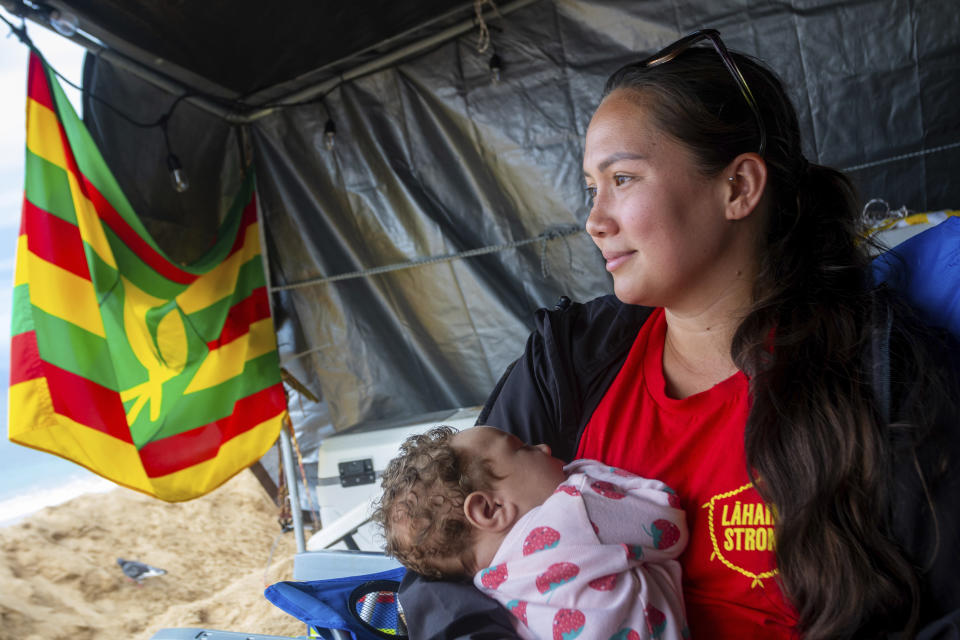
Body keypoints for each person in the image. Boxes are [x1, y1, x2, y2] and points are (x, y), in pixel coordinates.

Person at [397, 28, 960, 640]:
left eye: (623, 179)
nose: (593, 221)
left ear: (738, 187)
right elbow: (441, 546)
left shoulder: (879, 373)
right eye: (591, 188)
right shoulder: (571, 361)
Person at [373, 425, 689, 640]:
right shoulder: (575, 507)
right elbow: (670, 527)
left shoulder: (490, 588)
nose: (544, 446)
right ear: (490, 509)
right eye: (523, 449)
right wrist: (582, 474)